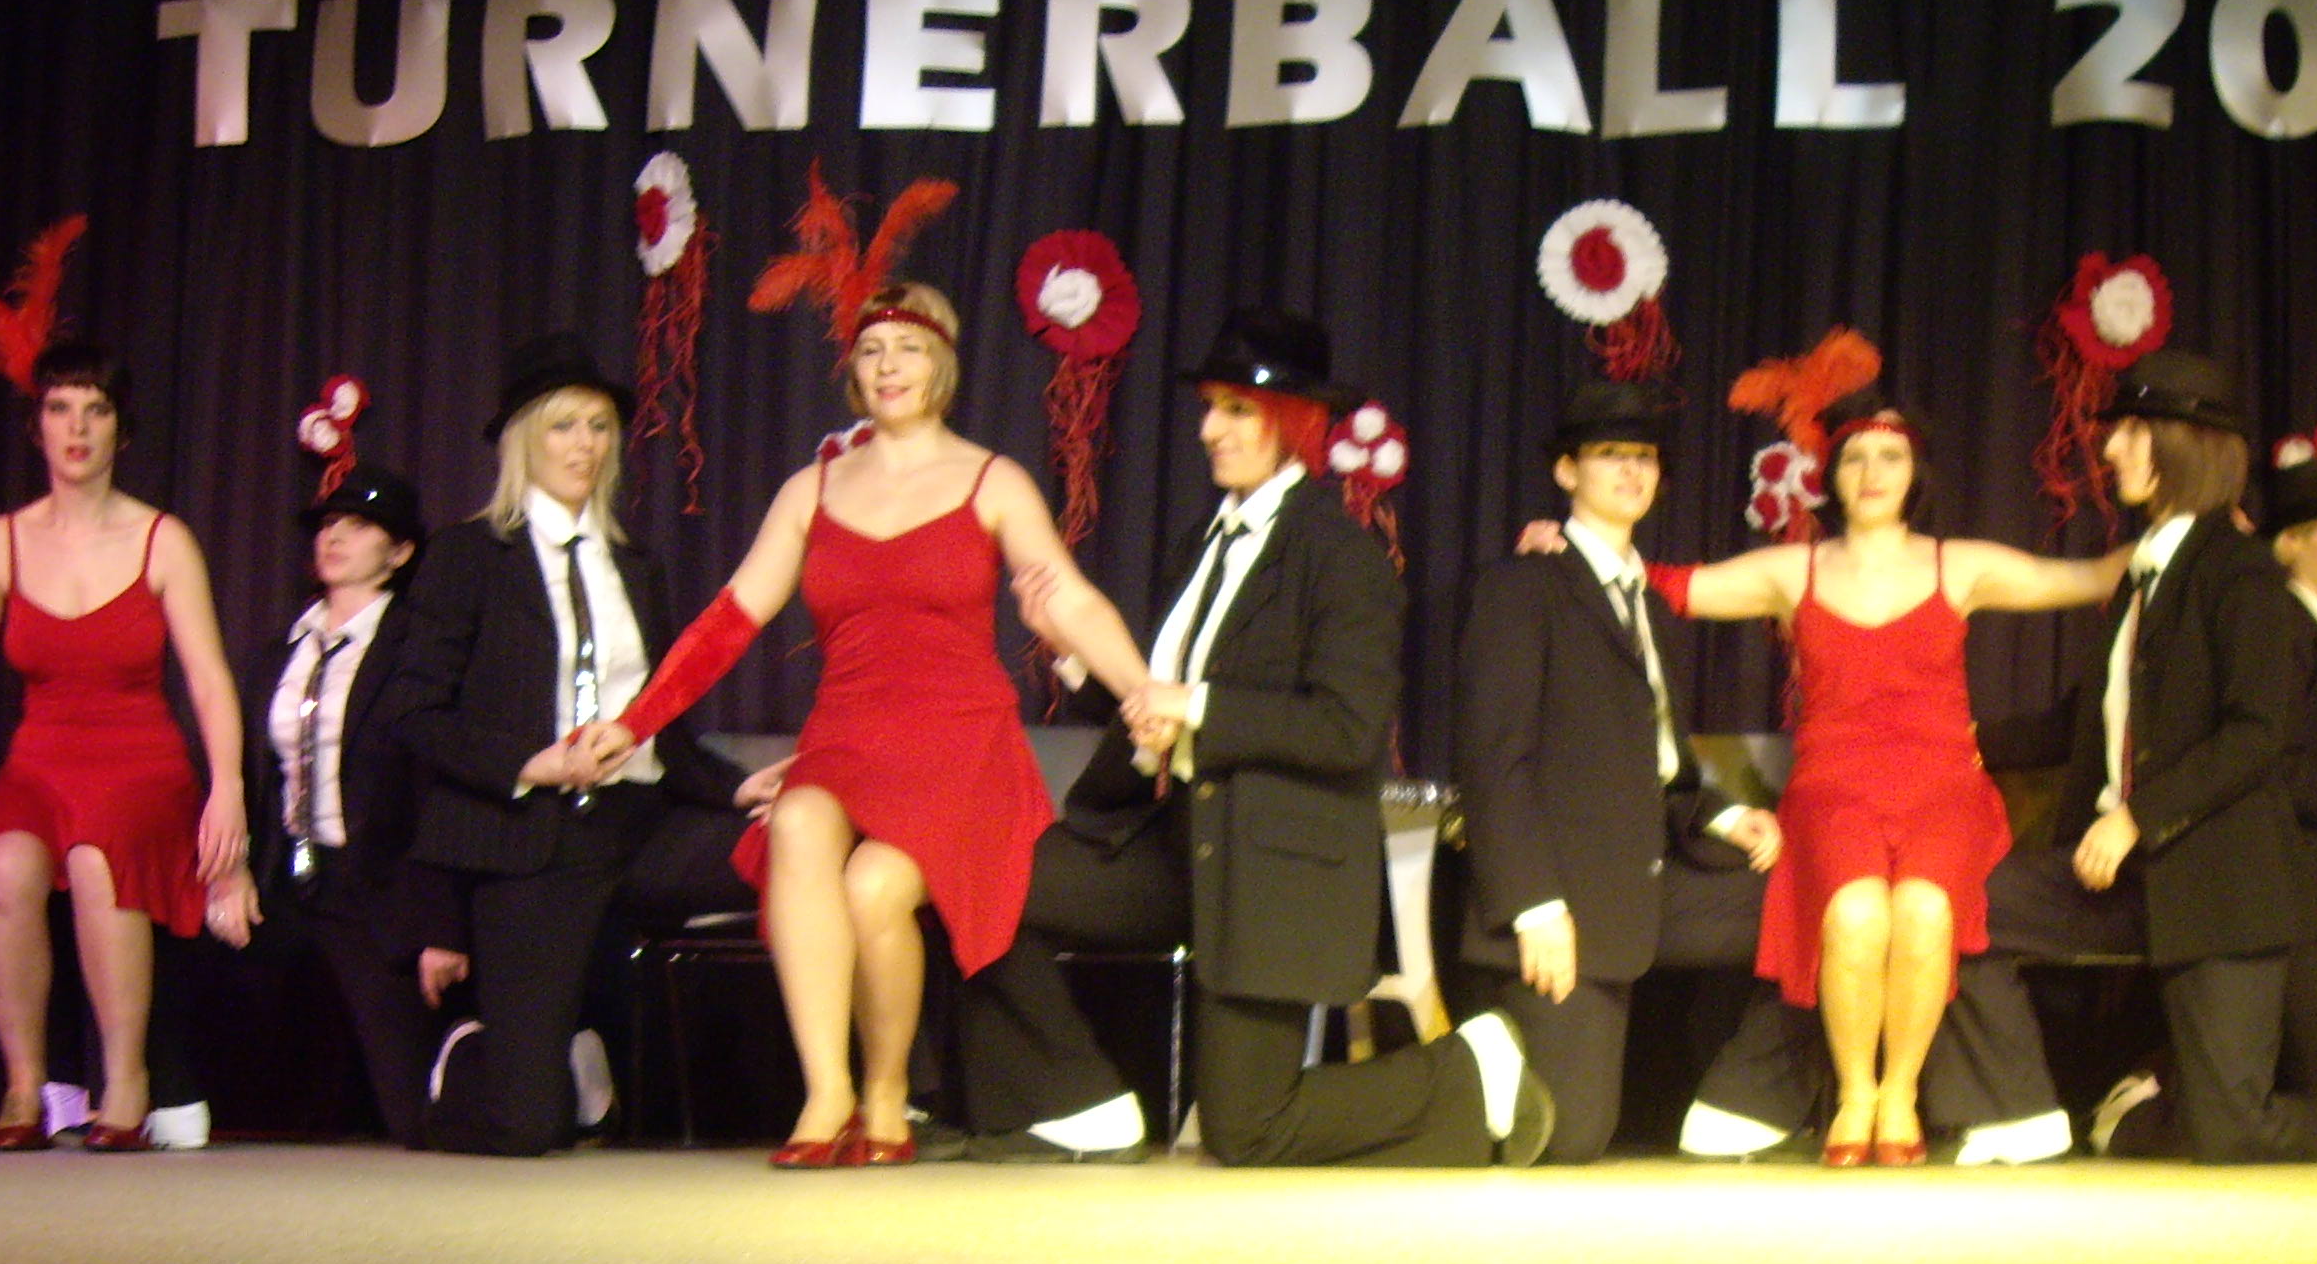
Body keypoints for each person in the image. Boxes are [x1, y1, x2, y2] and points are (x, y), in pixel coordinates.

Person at [582, 281, 1153, 1165]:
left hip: (960, 744)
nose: (890, 367)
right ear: (852, 368)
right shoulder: (811, 490)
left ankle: (889, 1097)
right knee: (798, 821)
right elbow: (731, 619)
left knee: (875, 885)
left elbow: (1069, 600)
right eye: (873, 350)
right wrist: (634, 722)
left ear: (943, 364)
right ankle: (828, 1094)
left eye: (909, 348)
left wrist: (1142, 693)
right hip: (847, 736)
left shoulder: (992, 479)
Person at [965, 307, 1552, 1166]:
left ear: (1297, 422)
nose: (1210, 430)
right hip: (1169, 844)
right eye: (1210, 407)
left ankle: (1469, 1070)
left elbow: (1347, 728)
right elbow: (1156, 713)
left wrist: (1199, 705)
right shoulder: (1198, 548)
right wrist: (1078, 662)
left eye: (1237, 410)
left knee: (1248, 1128)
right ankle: (1078, 1104)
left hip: (1270, 868)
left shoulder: (1341, 558)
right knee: (978, 887)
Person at [1634, 383, 2127, 1163]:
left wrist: (2203, 529)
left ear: (1914, 471)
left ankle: (1898, 1095)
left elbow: (2097, 577)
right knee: (1858, 913)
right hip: (1833, 792)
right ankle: (1855, 1095)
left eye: (1890, 456)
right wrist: (1570, 544)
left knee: (1926, 910)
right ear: (1832, 476)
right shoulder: (1792, 570)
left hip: (1943, 791)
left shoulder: (1958, 565)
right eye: (1855, 457)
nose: (1872, 472)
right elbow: (1665, 585)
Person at [1924, 349, 2317, 1164]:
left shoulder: (2241, 574)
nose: (2112, 448)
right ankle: (2016, 1108)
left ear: (2183, 445)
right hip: (2116, 874)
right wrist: (1953, 742)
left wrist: (2137, 818)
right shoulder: (2145, 575)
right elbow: (2084, 722)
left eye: (2131, 431)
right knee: (1949, 903)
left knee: (2230, 1133)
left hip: (2214, 880)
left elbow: (2255, 735)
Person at [373, 332, 748, 1156]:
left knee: (799, 842)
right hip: (535, 836)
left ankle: (882, 1101)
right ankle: (487, 1052)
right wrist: (528, 763)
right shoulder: (470, 556)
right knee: (525, 1127)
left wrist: (739, 789)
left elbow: (665, 727)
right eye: (563, 426)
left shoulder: (635, 564)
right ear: (523, 442)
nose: (585, 445)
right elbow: (413, 711)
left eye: (600, 427)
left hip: (644, 821)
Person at [1455, 377, 1819, 1164]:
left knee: (1825, 903)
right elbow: (1495, 762)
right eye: (1610, 454)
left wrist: (1728, 816)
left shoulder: (1648, 605)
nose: (1631, 470)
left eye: (1645, 457)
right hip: (1566, 901)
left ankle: (1744, 1101)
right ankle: (1460, 1059)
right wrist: (1534, 907)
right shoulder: (1522, 587)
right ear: (1567, 471)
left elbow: (1661, 767)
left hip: (1650, 884)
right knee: (1568, 1137)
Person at [0, 342, 252, 1148]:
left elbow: (208, 681)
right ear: (38, 427)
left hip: (141, 760)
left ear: (120, 431)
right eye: (60, 409)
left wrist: (226, 789)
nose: (77, 428)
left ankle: (125, 1079)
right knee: (1, 867)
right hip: (40, 761)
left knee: (98, 856)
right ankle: (23, 1085)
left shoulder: (163, 539)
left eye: (95, 410)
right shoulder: (0, 542)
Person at [220, 465, 442, 1146]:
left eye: (360, 525)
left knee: (414, 1113)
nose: (335, 537)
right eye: (328, 524)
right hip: (287, 871)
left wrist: (439, 918)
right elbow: (253, 773)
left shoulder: (416, 647)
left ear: (399, 552)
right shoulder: (281, 651)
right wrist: (232, 871)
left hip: (371, 882)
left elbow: (430, 787)